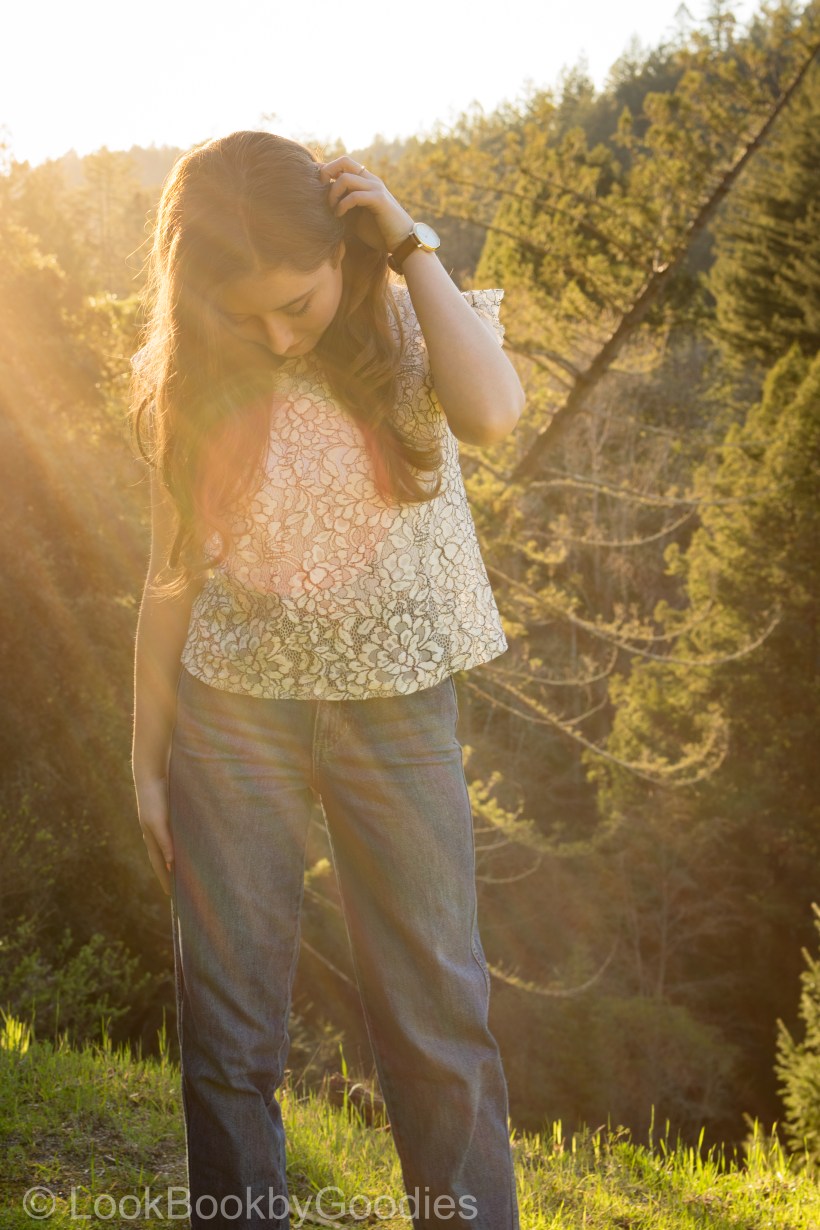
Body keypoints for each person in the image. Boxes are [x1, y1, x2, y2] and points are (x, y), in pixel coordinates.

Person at [129, 130, 524, 1230]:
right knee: (227, 1031)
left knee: (436, 1019)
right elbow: (170, 578)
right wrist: (146, 756)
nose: (271, 334)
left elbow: (493, 414)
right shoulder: (192, 375)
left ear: (343, 258)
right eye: (240, 312)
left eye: (293, 304)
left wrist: (410, 247)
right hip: (232, 719)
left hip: (397, 712)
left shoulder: (411, 322)